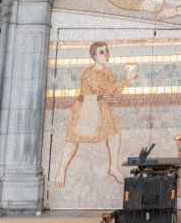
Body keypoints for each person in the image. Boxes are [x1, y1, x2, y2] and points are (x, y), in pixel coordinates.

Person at [53, 42, 138, 187]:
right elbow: (108, 87)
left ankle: (113, 168)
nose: (106, 54)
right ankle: (61, 170)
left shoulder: (107, 71)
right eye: (101, 52)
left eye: (107, 51)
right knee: (72, 139)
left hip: (99, 105)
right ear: (94, 56)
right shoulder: (89, 73)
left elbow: (114, 92)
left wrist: (127, 81)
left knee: (114, 132)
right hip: (85, 107)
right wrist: (127, 79)